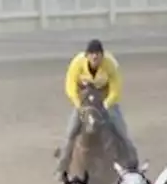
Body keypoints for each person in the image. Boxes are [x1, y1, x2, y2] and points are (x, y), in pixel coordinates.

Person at [57, 39, 137, 175]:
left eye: (98, 54)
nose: (95, 57)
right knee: (70, 133)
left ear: (102, 55)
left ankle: (132, 164)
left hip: (106, 101)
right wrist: (79, 105)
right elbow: (70, 86)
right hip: (85, 101)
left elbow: (116, 88)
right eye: (92, 54)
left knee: (122, 132)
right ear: (86, 55)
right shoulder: (77, 64)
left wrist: (105, 105)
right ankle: (62, 167)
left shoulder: (111, 64)